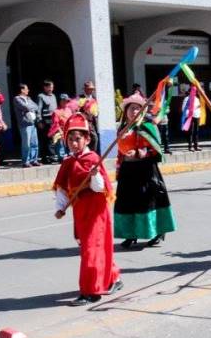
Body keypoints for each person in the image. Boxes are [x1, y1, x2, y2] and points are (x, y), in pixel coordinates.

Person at [53, 113, 122, 306]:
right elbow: (62, 188)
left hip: (96, 211)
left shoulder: (93, 159)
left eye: (78, 139)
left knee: (91, 250)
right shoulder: (68, 162)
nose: (74, 143)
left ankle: (91, 291)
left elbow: (100, 188)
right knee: (94, 248)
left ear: (87, 139)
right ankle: (112, 278)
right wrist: (60, 207)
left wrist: (94, 176)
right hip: (80, 211)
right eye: (70, 139)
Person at [114, 93, 176, 249]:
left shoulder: (147, 127)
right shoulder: (122, 129)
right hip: (127, 171)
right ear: (126, 111)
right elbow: (120, 153)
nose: (134, 112)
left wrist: (142, 153)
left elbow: (156, 149)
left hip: (145, 170)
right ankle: (130, 234)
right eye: (131, 108)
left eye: (137, 108)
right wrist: (119, 168)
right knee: (127, 203)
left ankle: (156, 232)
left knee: (147, 202)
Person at [13, 84, 41, 168]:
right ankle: (26, 161)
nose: (28, 90)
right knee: (26, 144)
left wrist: (29, 107)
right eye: (26, 89)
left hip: (32, 123)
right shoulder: (17, 99)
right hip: (25, 124)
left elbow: (36, 106)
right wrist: (29, 107)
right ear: (22, 90)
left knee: (34, 143)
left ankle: (34, 160)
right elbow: (25, 107)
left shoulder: (28, 98)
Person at [36, 80, 58, 163]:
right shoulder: (41, 96)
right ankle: (45, 157)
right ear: (45, 87)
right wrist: (39, 121)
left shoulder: (53, 96)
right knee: (45, 139)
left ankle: (52, 155)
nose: (51, 89)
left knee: (52, 139)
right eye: (49, 87)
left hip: (53, 120)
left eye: (52, 87)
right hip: (45, 119)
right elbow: (39, 109)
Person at [49, 94, 73, 160]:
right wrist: (60, 131)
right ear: (61, 101)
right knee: (60, 143)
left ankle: (69, 155)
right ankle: (62, 157)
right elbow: (55, 124)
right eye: (64, 101)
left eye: (67, 101)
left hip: (69, 130)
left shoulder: (69, 110)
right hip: (60, 130)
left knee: (69, 142)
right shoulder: (56, 112)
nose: (66, 102)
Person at [78, 81, 99, 151]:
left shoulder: (94, 98)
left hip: (92, 122)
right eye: (90, 89)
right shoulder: (80, 98)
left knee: (94, 139)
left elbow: (96, 109)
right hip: (83, 121)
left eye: (92, 89)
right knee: (85, 138)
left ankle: (92, 154)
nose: (91, 90)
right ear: (85, 89)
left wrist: (96, 113)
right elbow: (77, 109)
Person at [181, 84, 203, 152]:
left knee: (196, 131)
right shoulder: (187, 98)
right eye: (193, 91)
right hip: (189, 116)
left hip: (196, 116)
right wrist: (191, 110)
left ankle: (196, 145)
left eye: (195, 91)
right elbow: (183, 108)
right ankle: (190, 146)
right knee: (191, 131)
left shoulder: (197, 99)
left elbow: (198, 107)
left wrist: (198, 110)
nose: (195, 93)